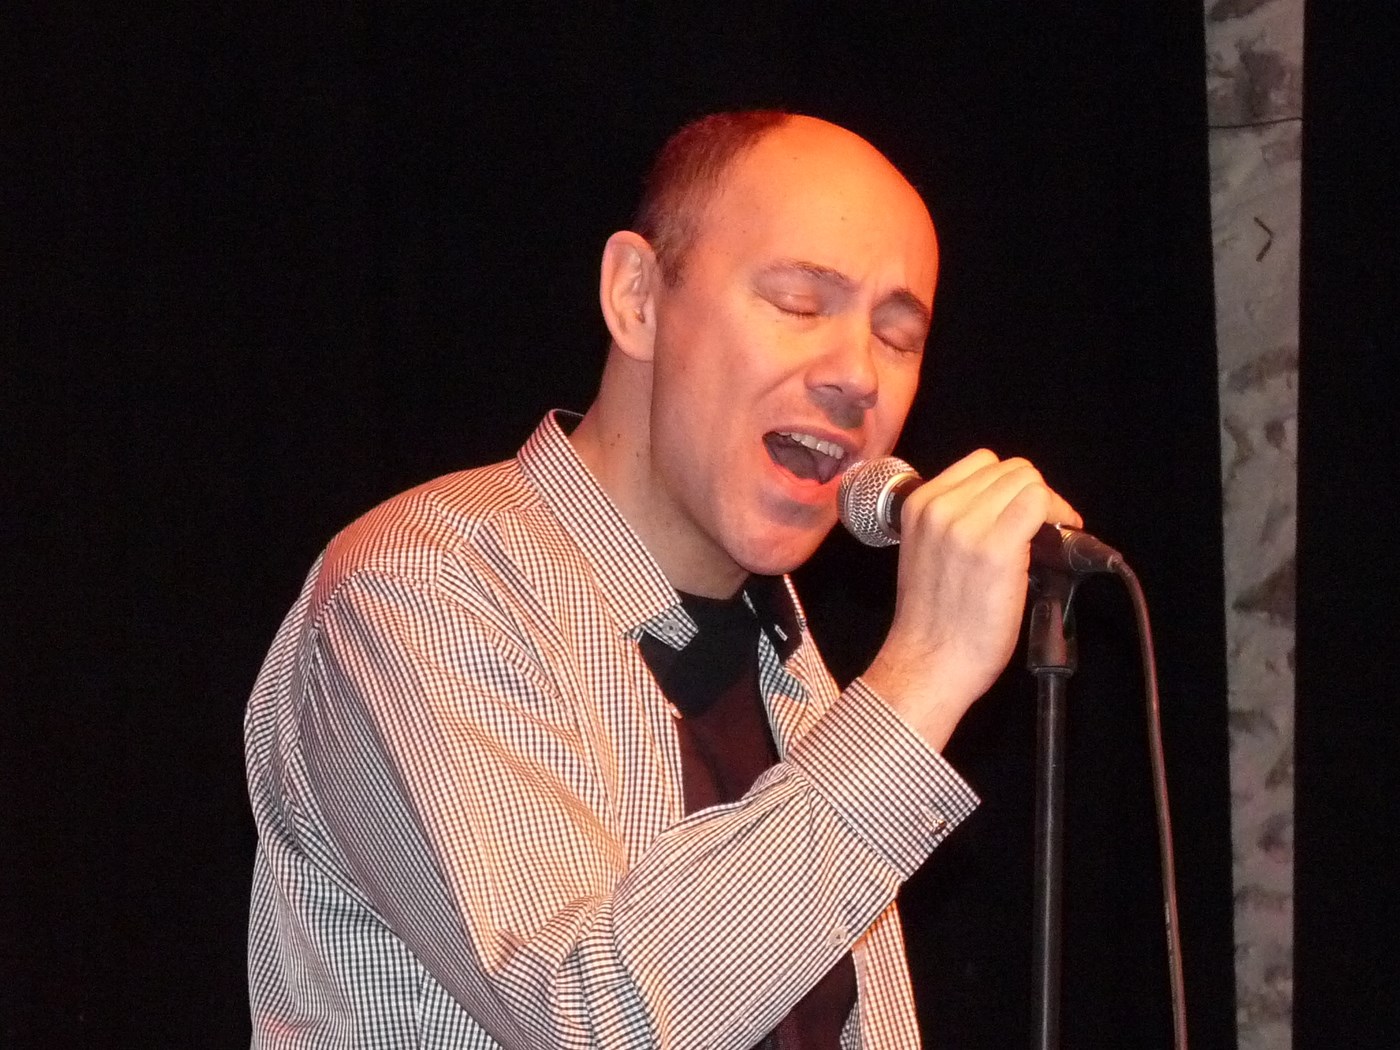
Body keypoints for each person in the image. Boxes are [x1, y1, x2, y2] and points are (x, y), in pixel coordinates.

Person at [244, 110, 1081, 1048]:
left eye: (897, 336)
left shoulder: (790, 666)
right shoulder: (422, 585)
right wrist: (924, 674)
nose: (857, 375)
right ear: (637, 297)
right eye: (800, 303)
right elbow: (594, 1021)